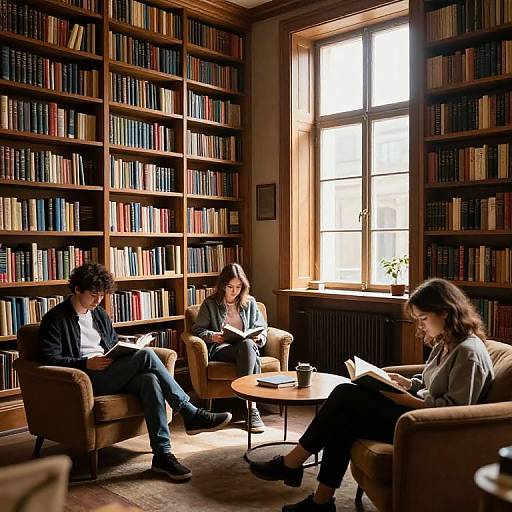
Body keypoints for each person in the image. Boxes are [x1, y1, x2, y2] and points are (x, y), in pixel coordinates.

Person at [249, 278, 495, 511]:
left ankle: (292, 463)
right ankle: (321, 502)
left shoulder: (468, 353)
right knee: (342, 421)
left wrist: (408, 399)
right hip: (415, 411)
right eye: (417, 319)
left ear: (445, 312)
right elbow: (433, 382)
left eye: (423, 318)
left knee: (345, 393)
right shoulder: (445, 341)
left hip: (427, 428)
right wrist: (408, 383)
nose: (420, 326)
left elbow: (457, 410)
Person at [39, 263, 232, 482]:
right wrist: (86, 363)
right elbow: (49, 358)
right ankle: (189, 412)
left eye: (101, 295)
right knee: (147, 356)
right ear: (76, 290)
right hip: (84, 380)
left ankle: (162, 455)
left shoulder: (99, 314)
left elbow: (111, 344)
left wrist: (123, 350)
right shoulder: (55, 318)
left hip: (109, 372)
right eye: (93, 295)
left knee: (149, 380)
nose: (98, 300)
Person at [192, 263, 268, 432]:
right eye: (230, 287)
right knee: (249, 349)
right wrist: (212, 336)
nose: (234, 291)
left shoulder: (250, 303)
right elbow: (197, 329)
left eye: (239, 287)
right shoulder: (210, 304)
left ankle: (250, 407)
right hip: (223, 349)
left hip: (245, 347)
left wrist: (259, 337)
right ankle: (252, 409)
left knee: (248, 345)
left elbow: (263, 327)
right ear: (222, 286)